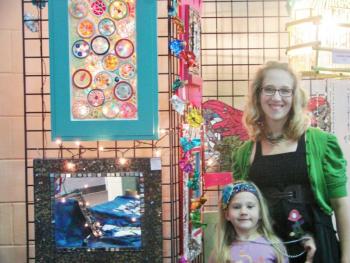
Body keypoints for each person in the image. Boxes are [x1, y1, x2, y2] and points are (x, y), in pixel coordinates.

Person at [232, 61, 350, 263]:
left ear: (295, 96)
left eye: (285, 91)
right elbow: (240, 208)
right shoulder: (245, 153)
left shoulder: (322, 143)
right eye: (269, 89)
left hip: (318, 248)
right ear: (258, 95)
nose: (276, 97)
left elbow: (341, 205)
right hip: (266, 252)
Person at [209, 181, 314, 263]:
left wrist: (309, 260)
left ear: (260, 213)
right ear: (227, 214)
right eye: (236, 207)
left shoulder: (275, 246)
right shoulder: (220, 251)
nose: (243, 211)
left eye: (250, 206)